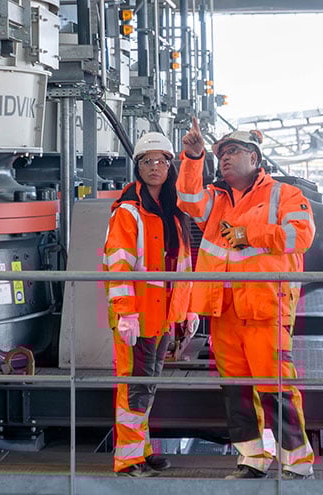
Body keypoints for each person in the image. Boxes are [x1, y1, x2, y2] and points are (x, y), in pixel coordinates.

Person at [176, 118, 316, 480]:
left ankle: (297, 463)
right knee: (236, 391)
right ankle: (252, 460)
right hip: (223, 311)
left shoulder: (284, 195)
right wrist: (194, 157)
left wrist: (247, 233)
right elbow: (189, 200)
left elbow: (300, 236)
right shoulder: (217, 199)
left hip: (264, 308)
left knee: (275, 387)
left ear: (255, 159)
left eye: (233, 152)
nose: (224, 158)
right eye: (221, 153)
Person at [102, 131, 197, 477]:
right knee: (132, 390)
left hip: (163, 317)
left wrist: (188, 311)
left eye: (160, 160)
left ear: (170, 165)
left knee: (147, 387)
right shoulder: (129, 213)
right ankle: (127, 460)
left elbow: (183, 268)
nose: (154, 166)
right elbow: (118, 266)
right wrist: (125, 313)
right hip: (137, 318)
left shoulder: (173, 212)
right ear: (137, 167)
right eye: (147, 161)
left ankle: (141, 450)